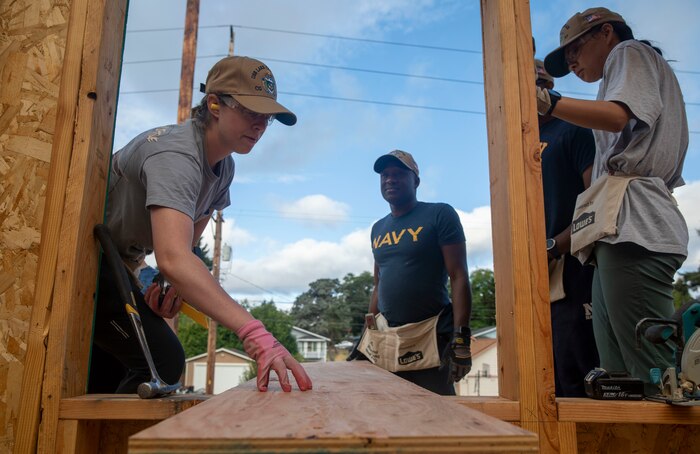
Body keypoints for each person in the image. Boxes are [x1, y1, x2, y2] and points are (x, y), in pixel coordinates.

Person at [89, 56, 312, 394]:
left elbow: (184, 250)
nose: (260, 125)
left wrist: (167, 287)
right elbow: (175, 258)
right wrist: (254, 333)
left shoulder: (224, 168)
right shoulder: (176, 156)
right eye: (251, 112)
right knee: (161, 362)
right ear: (214, 104)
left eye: (267, 118)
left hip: (121, 266)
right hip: (86, 258)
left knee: (111, 370)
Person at [538, 7, 689, 395]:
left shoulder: (630, 53)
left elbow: (618, 117)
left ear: (607, 33)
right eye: (564, 57)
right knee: (620, 379)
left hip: (635, 225)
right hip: (618, 228)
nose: (571, 61)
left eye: (575, 48)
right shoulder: (623, 74)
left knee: (654, 377)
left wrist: (549, 102)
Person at [368, 150, 473, 395]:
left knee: (438, 414)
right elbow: (378, 283)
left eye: (398, 174)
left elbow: (459, 275)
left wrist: (461, 338)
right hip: (391, 338)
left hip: (431, 335)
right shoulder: (378, 228)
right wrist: (367, 334)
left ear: (415, 180)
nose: (390, 180)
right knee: (392, 412)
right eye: (384, 175)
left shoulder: (439, 214)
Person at [535, 59, 599, 397]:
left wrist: (553, 246)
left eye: (539, 82)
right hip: (536, 276)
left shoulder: (572, 129)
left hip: (572, 266)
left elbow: (596, 203)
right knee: (545, 378)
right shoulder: (520, 143)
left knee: (578, 370)